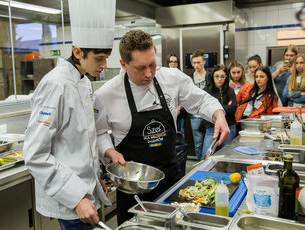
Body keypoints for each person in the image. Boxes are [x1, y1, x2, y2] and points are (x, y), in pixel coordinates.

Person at [93, 30, 230, 225]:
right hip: (133, 188)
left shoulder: (171, 78)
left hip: (171, 179)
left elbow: (201, 101)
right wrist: (109, 151)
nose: (148, 74)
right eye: (140, 68)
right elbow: (98, 133)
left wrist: (219, 114)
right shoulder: (106, 94)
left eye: (152, 65)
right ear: (123, 64)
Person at [23, 1, 116, 229]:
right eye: (99, 58)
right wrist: (77, 198)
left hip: (86, 192)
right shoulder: (56, 84)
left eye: (107, 57)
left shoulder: (82, 81)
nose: (104, 65)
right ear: (77, 52)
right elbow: (35, 154)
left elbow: (81, 141)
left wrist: (95, 181)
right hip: (72, 200)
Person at [201, 64, 237, 158]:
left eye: (222, 76)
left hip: (229, 126)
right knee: (206, 156)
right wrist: (225, 107)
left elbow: (233, 108)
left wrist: (215, 108)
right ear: (212, 77)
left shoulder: (230, 90)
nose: (219, 79)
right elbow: (206, 109)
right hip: (211, 127)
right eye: (216, 76)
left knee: (227, 156)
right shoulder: (207, 91)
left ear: (226, 77)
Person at [189, 49, 211, 161]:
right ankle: (199, 165)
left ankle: (205, 165)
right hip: (195, 115)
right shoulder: (189, 77)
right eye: (194, 63)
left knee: (209, 144)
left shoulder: (210, 76)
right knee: (198, 143)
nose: (196, 65)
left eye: (198, 62)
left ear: (204, 62)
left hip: (208, 114)